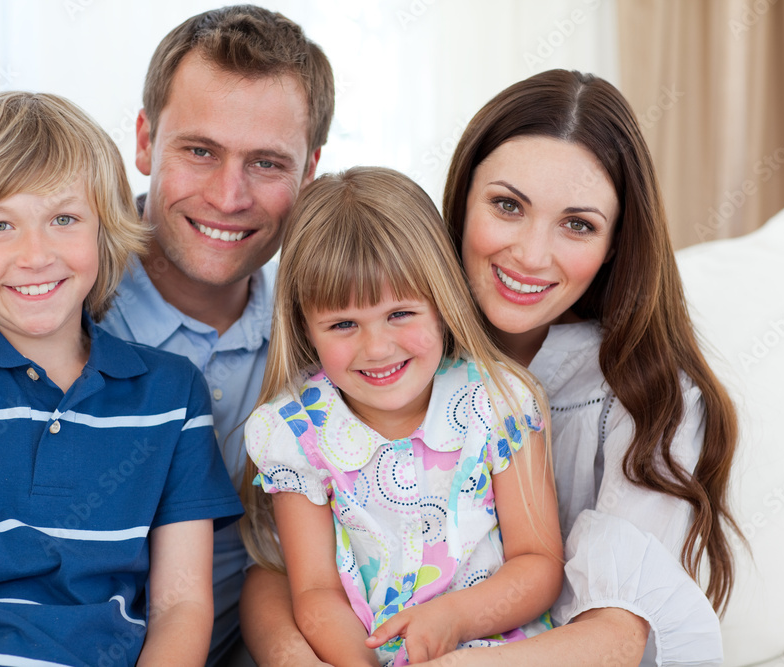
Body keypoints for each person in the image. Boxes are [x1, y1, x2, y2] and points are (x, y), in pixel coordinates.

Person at [0, 91, 243, 666]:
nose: (35, 255)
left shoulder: (173, 394)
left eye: (64, 219)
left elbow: (180, 606)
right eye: (0, 224)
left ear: (105, 230)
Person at [422, 69, 742, 665]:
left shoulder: (651, 400)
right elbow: (278, 563)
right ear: (462, 199)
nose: (532, 255)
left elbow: (615, 637)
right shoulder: (385, 348)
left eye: (578, 225)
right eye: (507, 205)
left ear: (616, 243)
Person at [241, 167, 564, 666]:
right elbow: (315, 593)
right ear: (305, 328)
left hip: (499, 649)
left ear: (441, 302)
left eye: (400, 314)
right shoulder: (295, 432)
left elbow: (538, 564)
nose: (377, 348)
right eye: (343, 324)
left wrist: (453, 618)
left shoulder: (500, 401)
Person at [92, 6, 335, 665]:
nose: (229, 196)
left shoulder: (337, 340)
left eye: (266, 163)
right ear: (144, 141)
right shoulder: (49, 302)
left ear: (309, 171)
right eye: (199, 151)